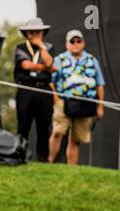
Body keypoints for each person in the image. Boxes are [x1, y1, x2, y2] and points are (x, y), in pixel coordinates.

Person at [48, 30, 105, 165]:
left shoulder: (92, 60)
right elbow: (50, 81)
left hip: (85, 103)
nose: (75, 44)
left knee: (76, 139)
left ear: (83, 43)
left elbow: (100, 85)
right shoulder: (59, 59)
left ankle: (71, 170)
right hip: (64, 101)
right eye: (72, 41)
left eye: (78, 41)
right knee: (58, 132)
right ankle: (49, 162)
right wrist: (56, 98)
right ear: (67, 44)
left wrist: (100, 107)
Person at [14, 18, 55, 162]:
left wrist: (41, 46)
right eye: (32, 32)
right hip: (26, 88)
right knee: (23, 125)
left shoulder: (48, 47)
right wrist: (46, 68)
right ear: (27, 33)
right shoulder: (21, 47)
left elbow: (50, 62)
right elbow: (26, 65)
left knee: (44, 126)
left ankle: (43, 159)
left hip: (44, 89)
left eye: (38, 32)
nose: (35, 34)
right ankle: (20, 157)